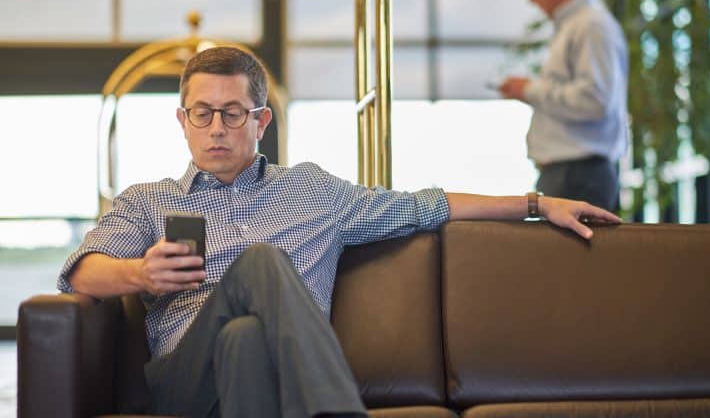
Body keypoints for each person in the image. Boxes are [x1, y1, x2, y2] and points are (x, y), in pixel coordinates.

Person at [57, 46, 620, 418]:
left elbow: (426, 206)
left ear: (261, 121)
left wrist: (535, 201)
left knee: (245, 339)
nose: (217, 129)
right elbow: (82, 271)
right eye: (201, 113)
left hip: (271, 387)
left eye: (233, 113)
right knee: (261, 263)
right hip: (185, 388)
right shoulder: (149, 200)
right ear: (182, 121)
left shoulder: (315, 193)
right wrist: (139, 272)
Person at [498, 0, 628, 211]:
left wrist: (531, 90)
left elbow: (595, 101)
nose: (530, 0)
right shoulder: (577, 25)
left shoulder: (590, 25)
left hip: (578, 177)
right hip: (572, 175)